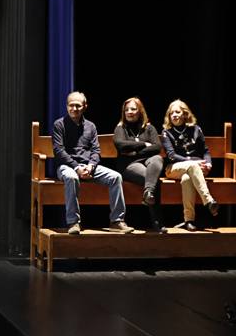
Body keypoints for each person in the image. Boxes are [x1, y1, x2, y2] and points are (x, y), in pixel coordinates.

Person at [52, 92, 132, 235]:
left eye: (78, 106)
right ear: (67, 106)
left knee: (116, 177)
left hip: (88, 166)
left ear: (85, 107)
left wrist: (90, 166)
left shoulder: (90, 126)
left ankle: (116, 221)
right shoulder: (59, 125)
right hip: (67, 166)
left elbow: (96, 151)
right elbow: (59, 151)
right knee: (71, 177)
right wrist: (77, 167)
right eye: (71, 105)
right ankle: (74, 222)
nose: (74, 109)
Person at [161, 100, 219, 231]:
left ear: (185, 114)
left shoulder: (196, 129)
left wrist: (208, 163)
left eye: (177, 112)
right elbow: (171, 155)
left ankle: (189, 220)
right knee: (192, 166)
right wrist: (191, 163)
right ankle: (208, 201)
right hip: (174, 168)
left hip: (196, 169)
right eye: (171, 113)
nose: (174, 115)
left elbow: (205, 151)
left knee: (187, 179)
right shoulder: (167, 132)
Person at [113, 97, 167, 233]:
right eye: (126, 109)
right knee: (153, 180)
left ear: (140, 111)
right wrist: (143, 144)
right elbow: (120, 145)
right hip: (129, 165)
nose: (129, 112)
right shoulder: (121, 128)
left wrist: (134, 152)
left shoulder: (149, 128)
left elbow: (156, 147)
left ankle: (148, 194)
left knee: (157, 159)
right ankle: (157, 220)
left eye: (133, 109)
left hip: (149, 162)